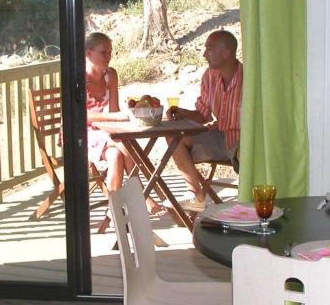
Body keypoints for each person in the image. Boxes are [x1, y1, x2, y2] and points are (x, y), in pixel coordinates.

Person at [83, 32, 165, 216]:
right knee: (123, 143)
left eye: (110, 52)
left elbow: (113, 111)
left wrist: (122, 118)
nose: (108, 57)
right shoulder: (78, 79)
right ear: (88, 53)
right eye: (104, 52)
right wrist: (118, 118)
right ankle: (145, 194)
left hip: (101, 131)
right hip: (78, 135)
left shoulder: (110, 75)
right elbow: (80, 116)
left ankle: (113, 210)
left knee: (116, 156)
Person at [170, 29, 242, 211]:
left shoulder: (249, 78)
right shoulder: (209, 76)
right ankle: (196, 195)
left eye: (209, 49)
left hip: (244, 140)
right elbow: (203, 114)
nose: (204, 54)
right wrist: (183, 113)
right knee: (174, 138)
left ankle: (248, 204)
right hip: (220, 138)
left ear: (226, 53)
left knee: (244, 151)